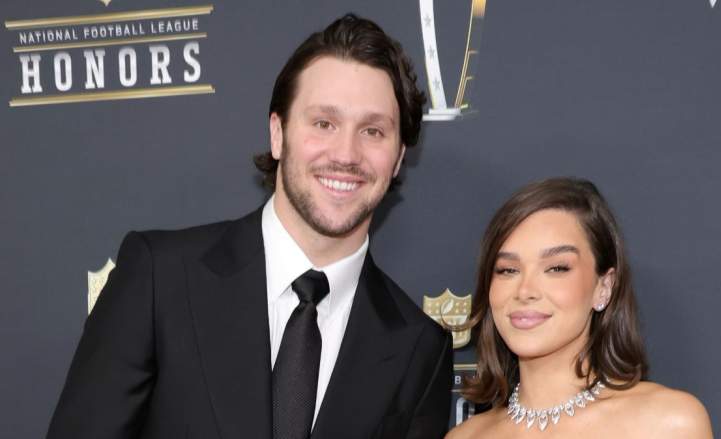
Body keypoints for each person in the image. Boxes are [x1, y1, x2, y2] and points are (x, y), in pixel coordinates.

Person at [47, 14, 452, 439]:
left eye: (373, 130)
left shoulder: (419, 349)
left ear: (399, 157)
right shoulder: (160, 278)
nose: (346, 153)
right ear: (278, 134)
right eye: (323, 123)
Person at [447, 178, 712, 438]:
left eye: (557, 268)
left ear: (604, 287)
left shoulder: (667, 424)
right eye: (507, 270)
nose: (525, 291)